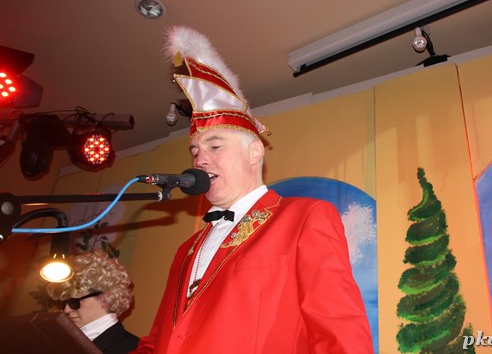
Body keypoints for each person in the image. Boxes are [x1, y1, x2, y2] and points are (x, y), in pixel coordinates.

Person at [134, 26, 374, 353]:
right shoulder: (186, 250)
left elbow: (339, 331)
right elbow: (157, 340)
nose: (200, 159)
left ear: (255, 153)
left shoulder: (306, 217)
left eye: (215, 146)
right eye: (195, 151)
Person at [47, 249, 139, 354]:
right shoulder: (60, 342)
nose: (66, 310)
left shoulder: (135, 349)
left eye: (74, 302)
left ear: (106, 298)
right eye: (63, 303)